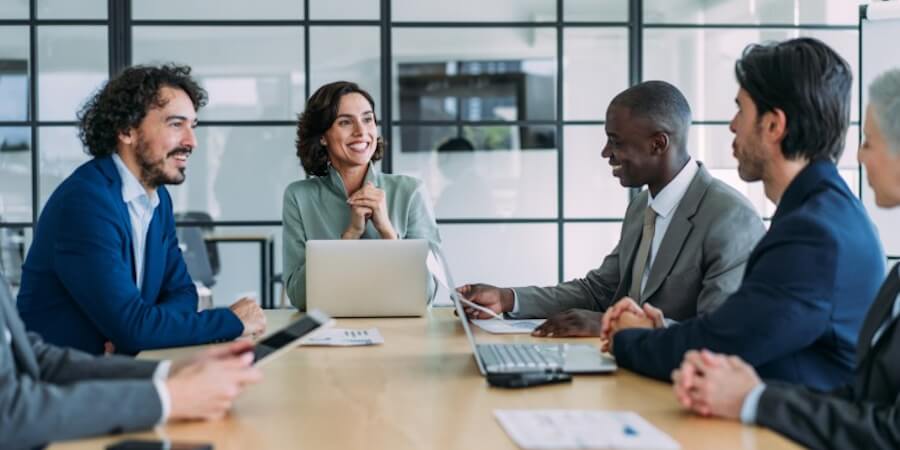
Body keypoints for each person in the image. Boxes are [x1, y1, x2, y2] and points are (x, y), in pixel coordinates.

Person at [603, 38, 885, 391]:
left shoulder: (814, 234)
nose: (733, 125)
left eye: (741, 109)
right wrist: (661, 332)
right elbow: (744, 329)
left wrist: (627, 337)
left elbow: (723, 347)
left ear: (773, 126)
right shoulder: (825, 212)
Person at [670, 67, 900, 450]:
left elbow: (890, 433)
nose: (859, 156)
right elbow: (865, 400)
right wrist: (749, 395)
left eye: (868, 142)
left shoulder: (818, 229)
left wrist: (753, 399)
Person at [457, 81, 764, 336]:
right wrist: (506, 298)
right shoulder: (643, 206)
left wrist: (616, 326)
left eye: (615, 142)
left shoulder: (730, 218)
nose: (606, 153)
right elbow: (599, 291)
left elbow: (721, 333)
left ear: (658, 144)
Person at [16, 64, 266, 355]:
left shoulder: (157, 199)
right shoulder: (86, 202)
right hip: (63, 385)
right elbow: (135, 329)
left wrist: (141, 329)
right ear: (126, 130)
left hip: (120, 367)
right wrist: (230, 321)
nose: (191, 142)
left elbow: (181, 292)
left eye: (192, 126)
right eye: (176, 124)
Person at [0, 270, 262, 450]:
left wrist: (168, 372)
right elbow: (8, 414)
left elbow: (38, 359)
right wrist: (170, 398)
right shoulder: (86, 202)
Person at [283, 81, 441, 310]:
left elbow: (427, 294)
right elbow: (299, 297)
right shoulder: (298, 197)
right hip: (327, 335)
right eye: (345, 122)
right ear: (322, 136)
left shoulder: (411, 192)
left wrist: (387, 231)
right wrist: (351, 234)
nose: (361, 131)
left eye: (367, 119)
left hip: (404, 335)